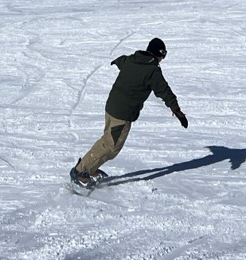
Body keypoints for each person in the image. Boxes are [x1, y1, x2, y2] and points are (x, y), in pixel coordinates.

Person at [71, 37, 186, 189]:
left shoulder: (133, 59)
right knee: (111, 147)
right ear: (159, 54)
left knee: (107, 142)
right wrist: (176, 110)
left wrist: (116, 61)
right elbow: (164, 91)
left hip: (111, 107)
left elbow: (122, 60)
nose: (161, 60)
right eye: (162, 57)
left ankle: (89, 168)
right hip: (122, 114)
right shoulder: (152, 70)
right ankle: (81, 170)